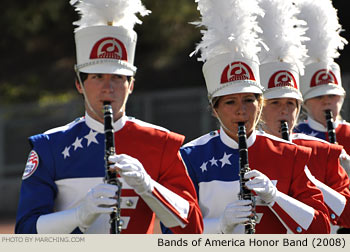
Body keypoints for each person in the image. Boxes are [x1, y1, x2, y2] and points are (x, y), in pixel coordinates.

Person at [15, 0, 203, 234]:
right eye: (97, 77)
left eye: (117, 78)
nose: (108, 88)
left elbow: (192, 229)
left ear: (131, 85)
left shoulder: (160, 143)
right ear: (79, 84)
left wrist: (148, 187)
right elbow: (25, 233)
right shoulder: (50, 147)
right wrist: (78, 215)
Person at [163, 0, 330, 234]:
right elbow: (172, 233)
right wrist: (219, 227)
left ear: (260, 104)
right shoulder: (189, 157)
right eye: (230, 102)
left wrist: (276, 198)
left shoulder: (290, 155)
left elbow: (320, 229)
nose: (241, 110)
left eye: (249, 101)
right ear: (214, 109)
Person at [257, 0, 350, 233]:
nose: (284, 111)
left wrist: (312, 181)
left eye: (291, 103)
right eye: (275, 103)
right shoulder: (247, 148)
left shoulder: (321, 150)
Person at [293, 0, 350, 157]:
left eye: (332, 96)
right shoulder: (295, 136)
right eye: (318, 97)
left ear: (342, 98)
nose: (326, 101)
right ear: (304, 103)